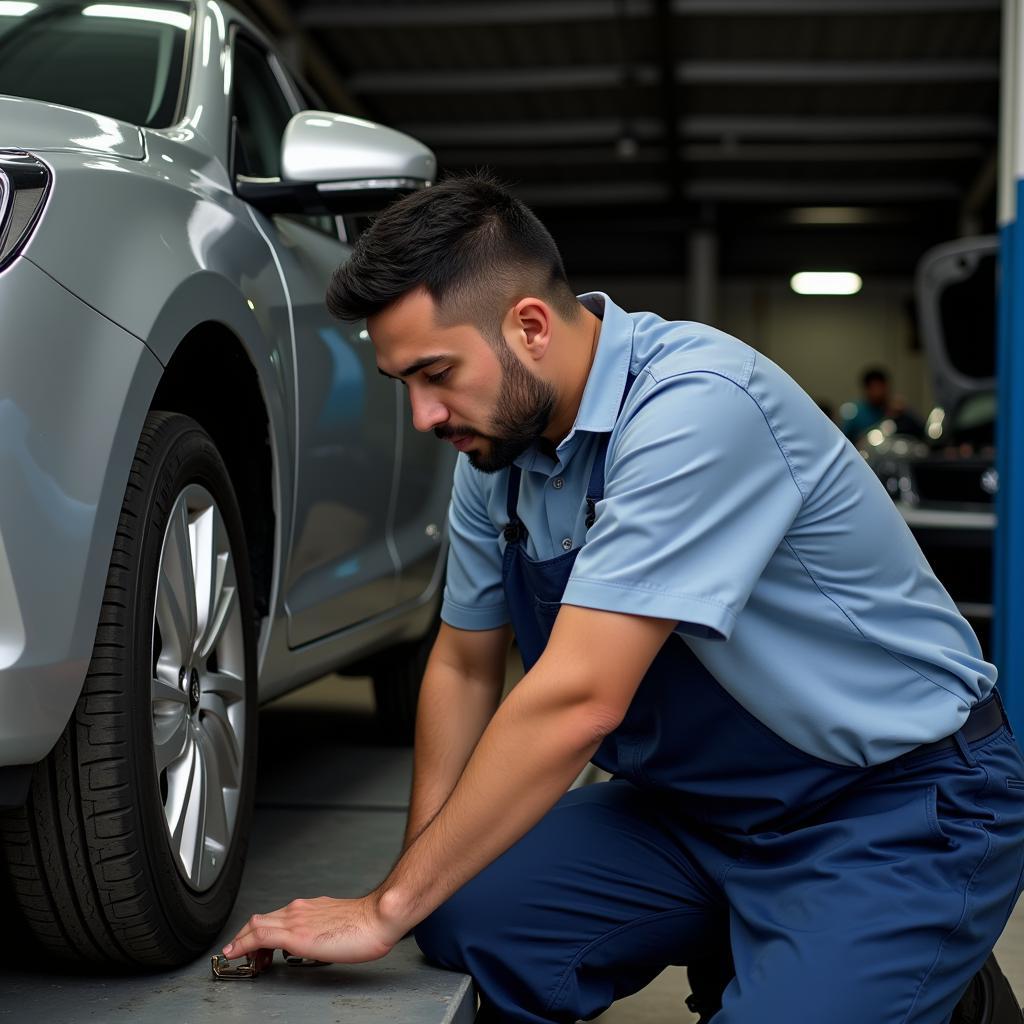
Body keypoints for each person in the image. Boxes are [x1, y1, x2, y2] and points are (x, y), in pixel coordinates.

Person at [222, 174, 1024, 1023]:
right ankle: (760, 935)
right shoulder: (497, 457)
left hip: (890, 807)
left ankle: (939, 988)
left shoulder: (694, 409)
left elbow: (578, 701)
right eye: (404, 384)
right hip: (698, 812)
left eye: (436, 373)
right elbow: (461, 666)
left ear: (529, 325)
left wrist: (380, 914)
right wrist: (409, 890)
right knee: (462, 913)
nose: (424, 415)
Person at [842, 366, 925, 441]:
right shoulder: (855, 413)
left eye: (881, 387)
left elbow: (921, 431)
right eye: (874, 388)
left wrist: (902, 415)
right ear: (866, 389)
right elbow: (845, 438)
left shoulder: (897, 409)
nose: (878, 392)